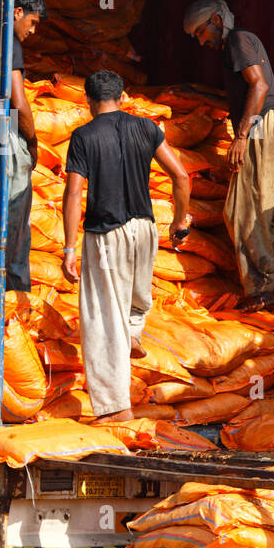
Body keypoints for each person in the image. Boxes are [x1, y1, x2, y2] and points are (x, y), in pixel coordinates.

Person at [61, 70, 191, 424]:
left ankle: (115, 408)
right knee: (136, 299)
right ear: (122, 97)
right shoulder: (147, 128)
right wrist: (180, 221)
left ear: (89, 102)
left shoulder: (84, 136)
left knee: (102, 318)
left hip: (106, 233)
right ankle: (132, 336)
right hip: (144, 229)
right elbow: (181, 176)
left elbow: (74, 193)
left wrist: (69, 248)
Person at [184, 0, 274, 312]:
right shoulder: (235, 47)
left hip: (263, 127)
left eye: (200, 31)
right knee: (262, 209)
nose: (200, 40)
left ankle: (264, 287)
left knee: (243, 209)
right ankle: (265, 290)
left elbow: (258, 86)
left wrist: (241, 136)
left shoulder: (237, 39)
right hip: (273, 127)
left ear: (217, 20)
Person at [7, 0, 46, 292]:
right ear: (17, 12)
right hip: (7, 133)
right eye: (32, 22)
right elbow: (19, 102)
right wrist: (32, 141)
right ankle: (14, 285)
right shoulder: (12, 43)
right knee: (17, 210)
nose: (32, 31)